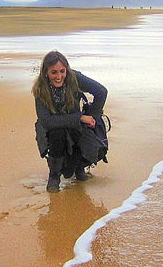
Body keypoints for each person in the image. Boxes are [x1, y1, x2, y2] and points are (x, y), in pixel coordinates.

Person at [33, 51, 108, 193]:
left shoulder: (75, 78)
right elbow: (47, 121)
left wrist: (92, 117)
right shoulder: (40, 89)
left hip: (76, 126)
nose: (59, 76)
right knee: (58, 133)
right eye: (54, 72)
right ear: (46, 72)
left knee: (94, 147)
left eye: (62, 71)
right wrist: (79, 117)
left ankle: (79, 167)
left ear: (67, 69)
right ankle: (54, 176)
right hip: (52, 129)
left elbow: (101, 92)